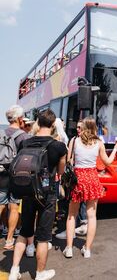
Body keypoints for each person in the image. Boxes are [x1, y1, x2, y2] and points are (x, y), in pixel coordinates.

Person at [9, 109, 67, 280]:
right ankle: (40, 273)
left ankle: (14, 270)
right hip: (47, 194)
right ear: (53, 124)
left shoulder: (25, 143)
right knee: (43, 237)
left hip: (27, 192)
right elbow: (61, 172)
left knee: (24, 231)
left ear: (37, 122)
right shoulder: (58, 146)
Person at [63, 117, 117, 259]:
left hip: (77, 179)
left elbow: (68, 161)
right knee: (92, 216)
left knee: (71, 215)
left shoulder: (74, 141)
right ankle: (87, 249)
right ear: (94, 128)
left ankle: (69, 248)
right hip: (92, 178)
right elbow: (107, 162)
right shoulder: (99, 143)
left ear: (83, 127)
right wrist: (115, 149)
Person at [0, 105, 30, 250]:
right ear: (19, 119)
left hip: (1, 173)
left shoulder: (1, 132)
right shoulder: (23, 136)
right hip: (15, 175)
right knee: (13, 207)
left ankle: (4, 229)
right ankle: (10, 239)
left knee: (1, 203)